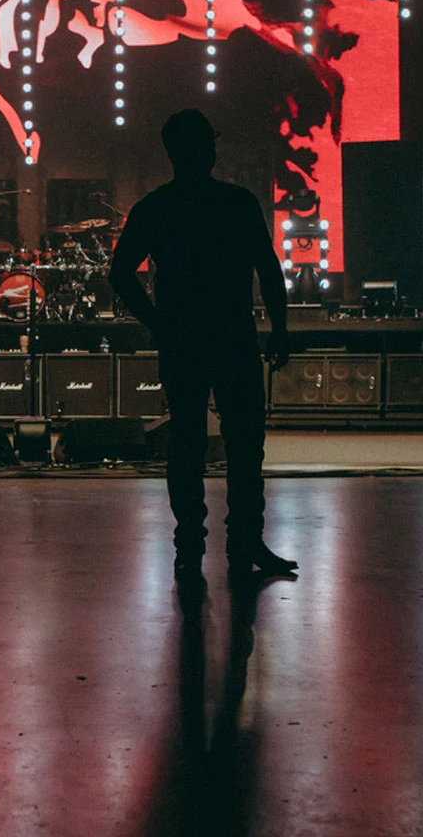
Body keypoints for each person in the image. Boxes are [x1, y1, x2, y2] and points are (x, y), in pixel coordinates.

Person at [109, 109, 296, 592]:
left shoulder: (157, 206)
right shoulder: (237, 202)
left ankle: (190, 544)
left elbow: (119, 273)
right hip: (233, 336)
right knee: (244, 445)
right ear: (206, 148)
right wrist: (279, 327)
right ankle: (246, 542)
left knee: (187, 445)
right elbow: (267, 269)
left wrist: (157, 323)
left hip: (184, 339)